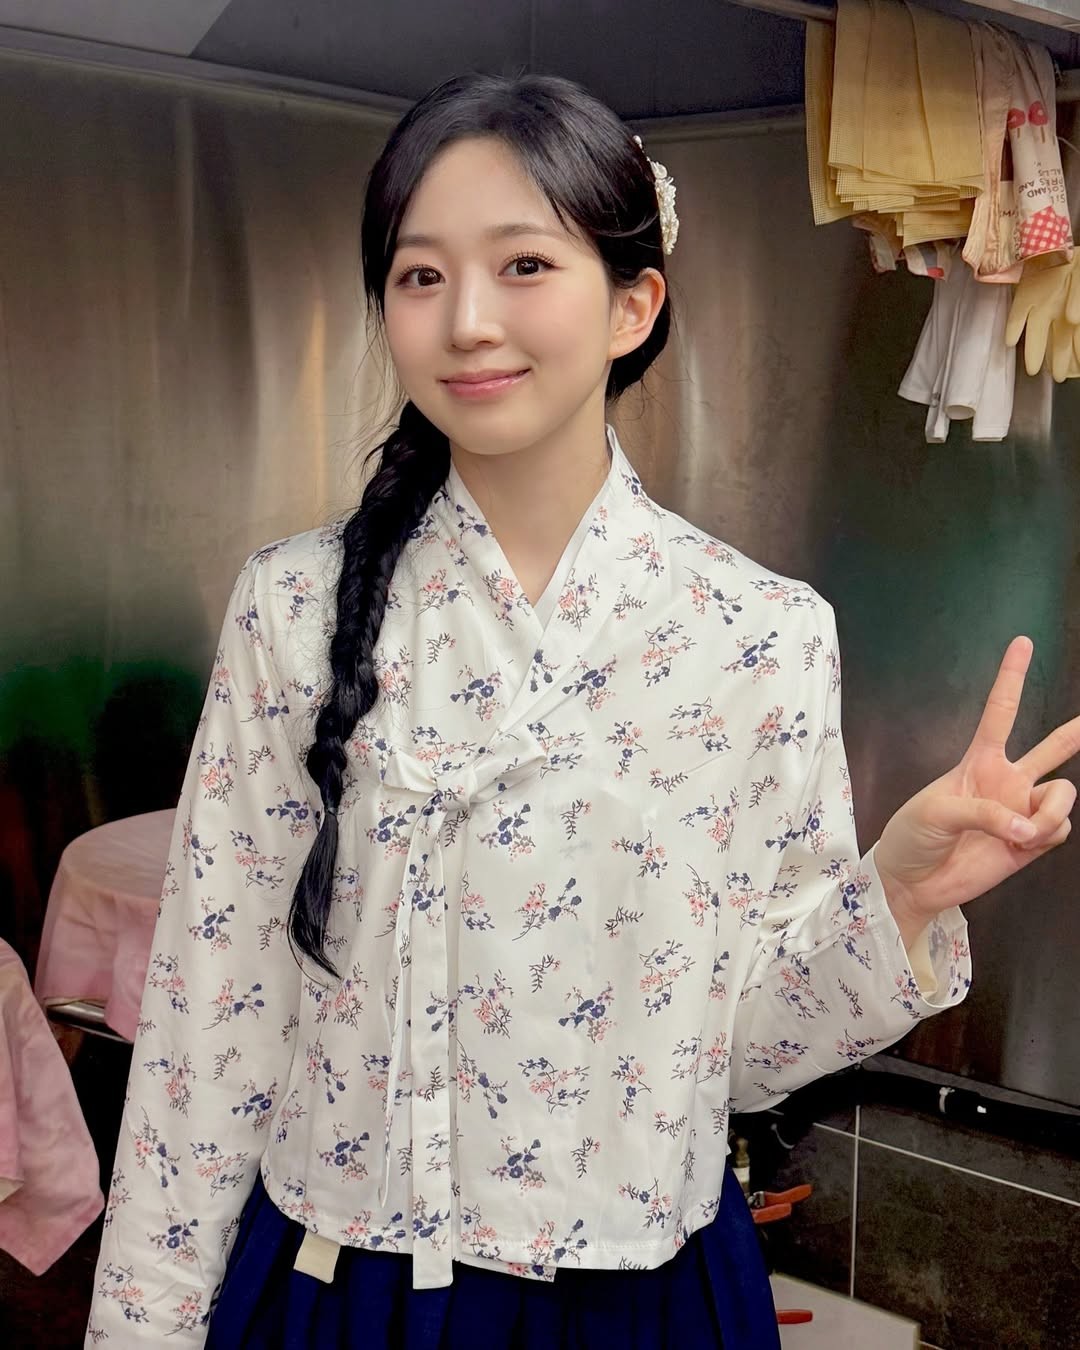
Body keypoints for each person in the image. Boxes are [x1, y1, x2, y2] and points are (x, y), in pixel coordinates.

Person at [85, 72, 1078, 1349]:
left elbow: (744, 1059)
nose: (468, 322)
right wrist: (147, 1327)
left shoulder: (758, 633)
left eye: (523, 265)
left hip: (643, 1301)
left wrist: (899, 890)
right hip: (344, 1291)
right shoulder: (292, 606)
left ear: (631, 304)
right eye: (421, 275)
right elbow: (210, 1019)